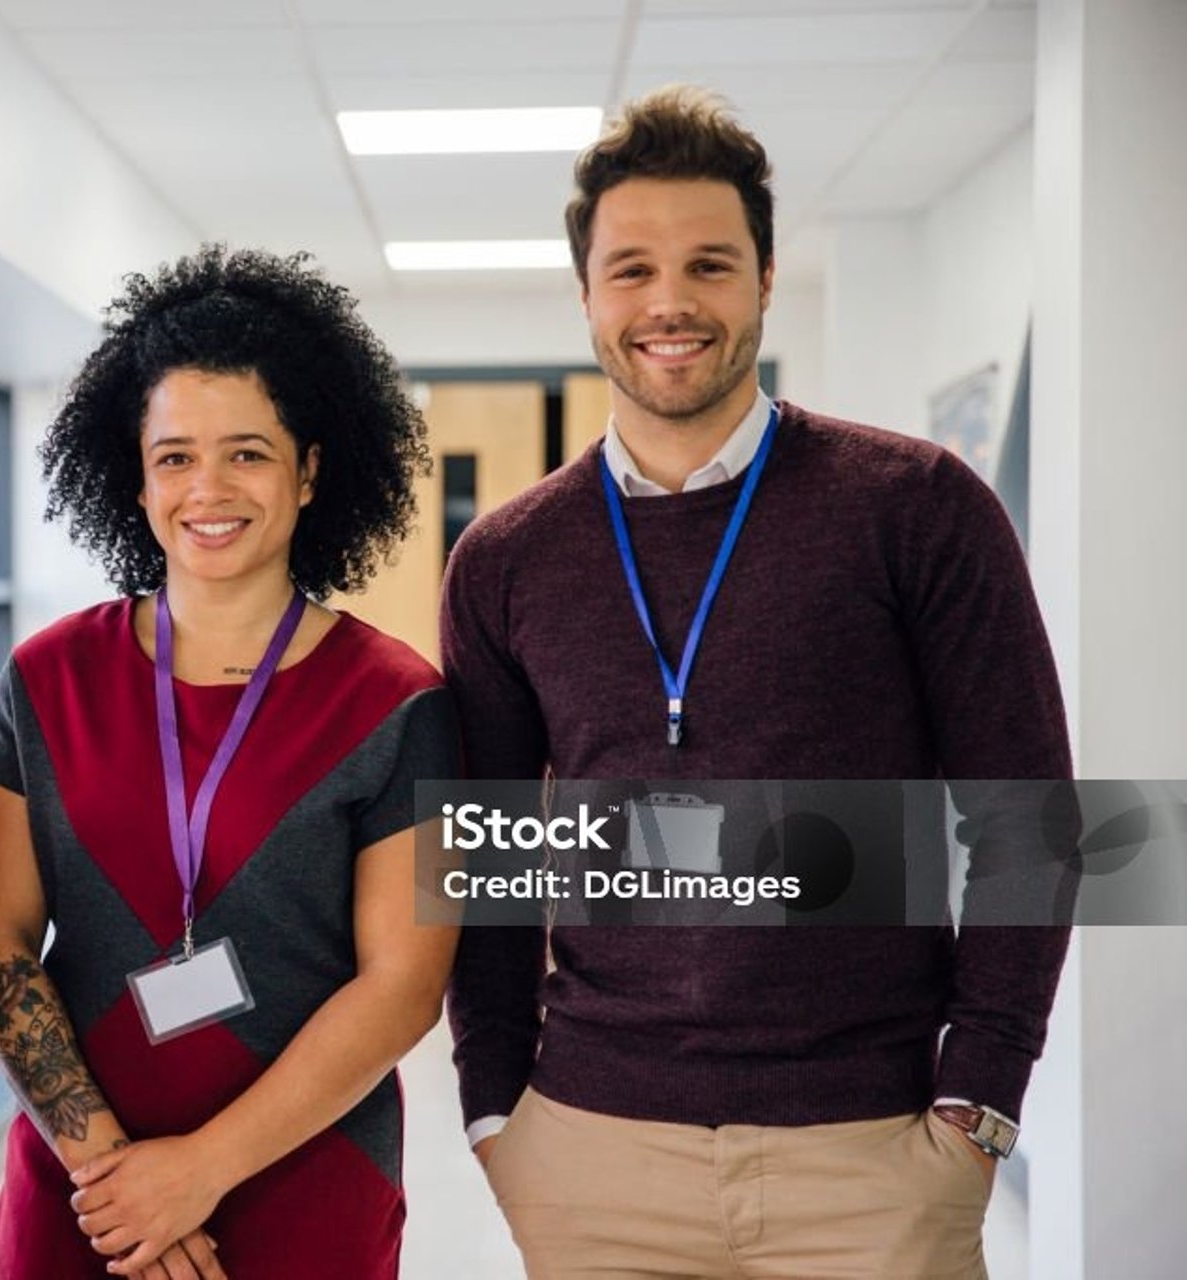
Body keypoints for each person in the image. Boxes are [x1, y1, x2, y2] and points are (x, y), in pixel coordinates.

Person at [442, 87, 1075, 1279]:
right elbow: (488, 855)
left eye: (710, 264)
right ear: (585, 293)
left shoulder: (916, 508)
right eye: (630, 269)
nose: (669, 302)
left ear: (768, 278)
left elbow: (1031, 818)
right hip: (592, 1153)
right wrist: (494, 1108)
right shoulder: (508, 558)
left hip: (870, 1155)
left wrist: (980, 1097)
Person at [0, 246, 459, 1279]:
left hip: (307, 1174)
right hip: (82, 1191)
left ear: (311, 468)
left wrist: (200, 1169)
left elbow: (403, 984)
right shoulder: (46, 678)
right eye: (176, 455)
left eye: (249, 452)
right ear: (133, 476)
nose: (209, 488)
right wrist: (117, 1178)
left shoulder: (396, 699)